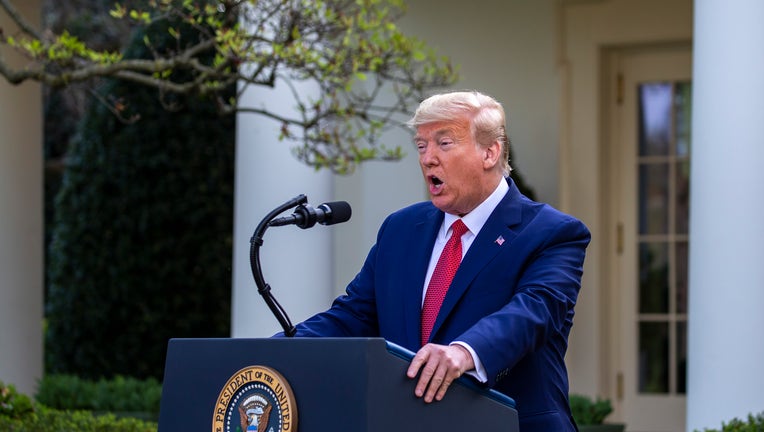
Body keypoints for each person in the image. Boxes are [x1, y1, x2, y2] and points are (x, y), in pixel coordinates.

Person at [285, 90, 590, 431]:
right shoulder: (400, 229)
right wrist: (275, 353)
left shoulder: (553, 233)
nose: (427, 158)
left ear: (490, 152)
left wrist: (463, 352)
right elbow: (352, 316)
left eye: (444, 143)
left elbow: (533, 312)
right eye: (421, 145)